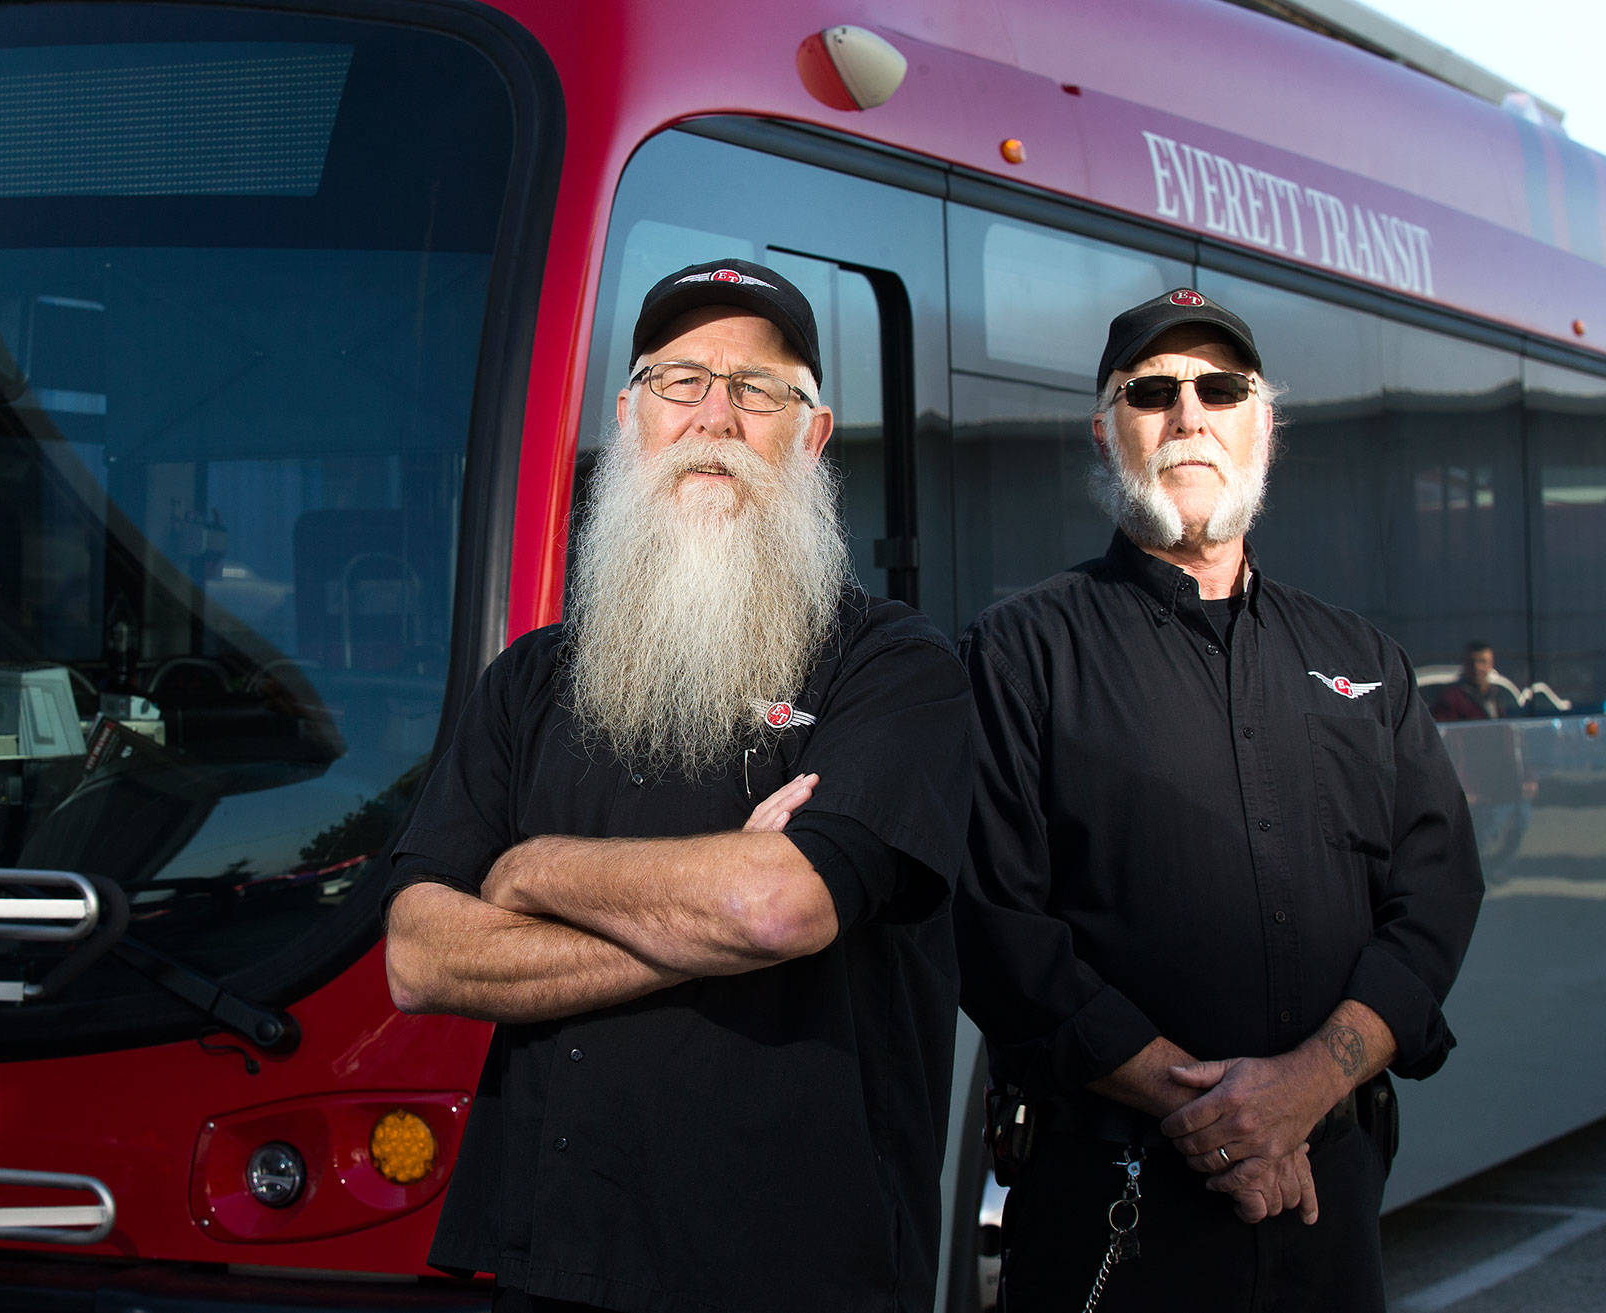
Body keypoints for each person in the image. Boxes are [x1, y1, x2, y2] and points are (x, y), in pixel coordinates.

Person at [382, 259, 972, 1313]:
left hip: (793, 1269)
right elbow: (421, 953)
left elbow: (770, 903)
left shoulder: (894, 666)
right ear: (629, 416)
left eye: (758, 389)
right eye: (679, 380)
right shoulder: (531, 676)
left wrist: (528, 868)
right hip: (551, 1257)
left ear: (812, 433)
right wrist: (699, 913)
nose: (715, 416)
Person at [955, 287, 1485, 1312]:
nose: (1187, 414)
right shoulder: (1017, 652)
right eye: (1149, 391)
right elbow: (993, 926)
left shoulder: (1357, 656)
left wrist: (1306, 1088)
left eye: (1220, 388)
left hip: (1327, 1201)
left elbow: (1434, 896)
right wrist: (1226, 1119)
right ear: (1104, 428)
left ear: (1263, 423)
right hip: (1112, 1202)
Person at [1431, 640, 1523, 721]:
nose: (1477, 667)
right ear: (1465, 664)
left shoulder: (1496, 695)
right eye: (1472, 662)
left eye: (1482, 661)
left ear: (1491, 664)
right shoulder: (1451, 698)